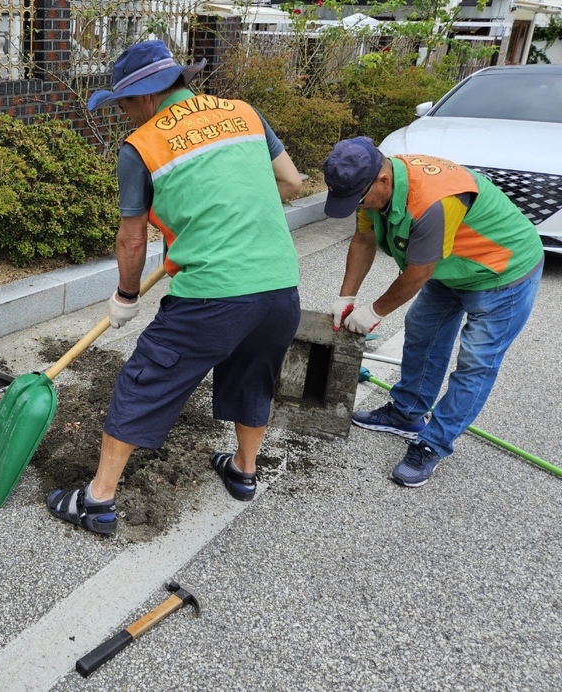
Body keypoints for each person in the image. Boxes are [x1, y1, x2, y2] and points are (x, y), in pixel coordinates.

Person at [46, 40, 304, 535]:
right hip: (278, 286)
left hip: (213, 292)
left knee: (143, 380)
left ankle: (97, 501)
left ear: (145, 96)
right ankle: (244, 473)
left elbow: (131, 237)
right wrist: (228, 212)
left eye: (122, 104)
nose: (122, 115)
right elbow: (291, 181)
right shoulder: (243, 113)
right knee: (254, 377)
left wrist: (124, 297)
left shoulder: (141, 145)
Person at [323, 137, 543, 487]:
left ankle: (433, 443)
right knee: (423, 329)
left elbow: (419, 272)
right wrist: (346, 296)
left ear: (382, 181)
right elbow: (363, 241)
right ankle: (406, 413)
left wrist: (374, 311)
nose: (358, 207)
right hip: (450, 266)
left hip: (502, 272)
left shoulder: (432, 201)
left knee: (476, 361)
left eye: (359, 199)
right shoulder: (373, 190)